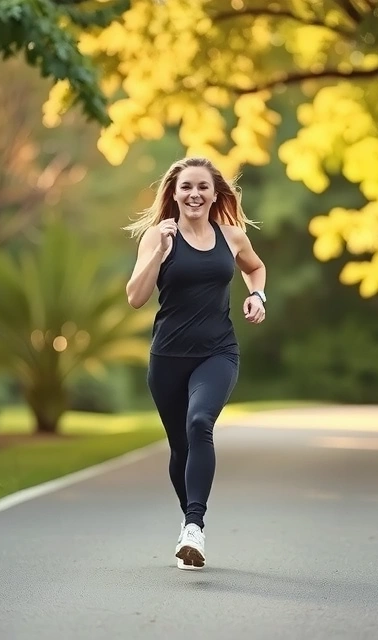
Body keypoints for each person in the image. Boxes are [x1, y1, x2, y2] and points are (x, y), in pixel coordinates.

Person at [124, 156, 267, 571]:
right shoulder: (157, 236)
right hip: (168, 357)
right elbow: (135, 297)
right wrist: (160, 252)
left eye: (203, 187)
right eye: (186, 186)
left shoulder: (232, 236)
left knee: (200, 421)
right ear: (173, 193)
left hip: (217, 352)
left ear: (215, 193)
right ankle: (190, 524)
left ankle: (193, 526)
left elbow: (255, 268)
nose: (194, 194)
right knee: (180, 447)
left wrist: (257, 295)